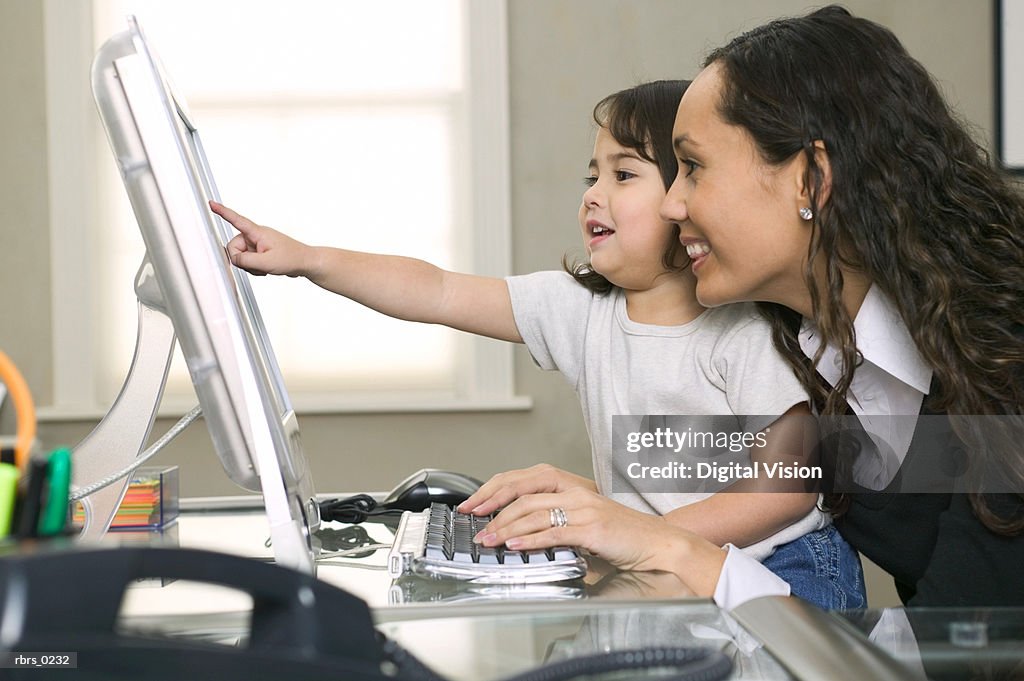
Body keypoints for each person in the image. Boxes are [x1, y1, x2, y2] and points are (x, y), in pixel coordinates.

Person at [212, 80, 864, 609]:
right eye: (592, 175)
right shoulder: (580, 310)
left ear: (685, 199)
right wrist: (308, 258)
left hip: (785, 569)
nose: (593, 194)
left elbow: (787, 489)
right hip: (672, 562)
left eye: (624, 174)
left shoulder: (744, 329)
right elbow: (436, 290)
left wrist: (646, 536)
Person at [490, 5, 1024, 609]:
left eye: (692, 167)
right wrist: (596, 504)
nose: (671, 206)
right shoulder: (803, 356)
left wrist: (671, 547)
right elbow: (744, 478)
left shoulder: (1001, 373)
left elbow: (972, 650)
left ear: (812, 180)